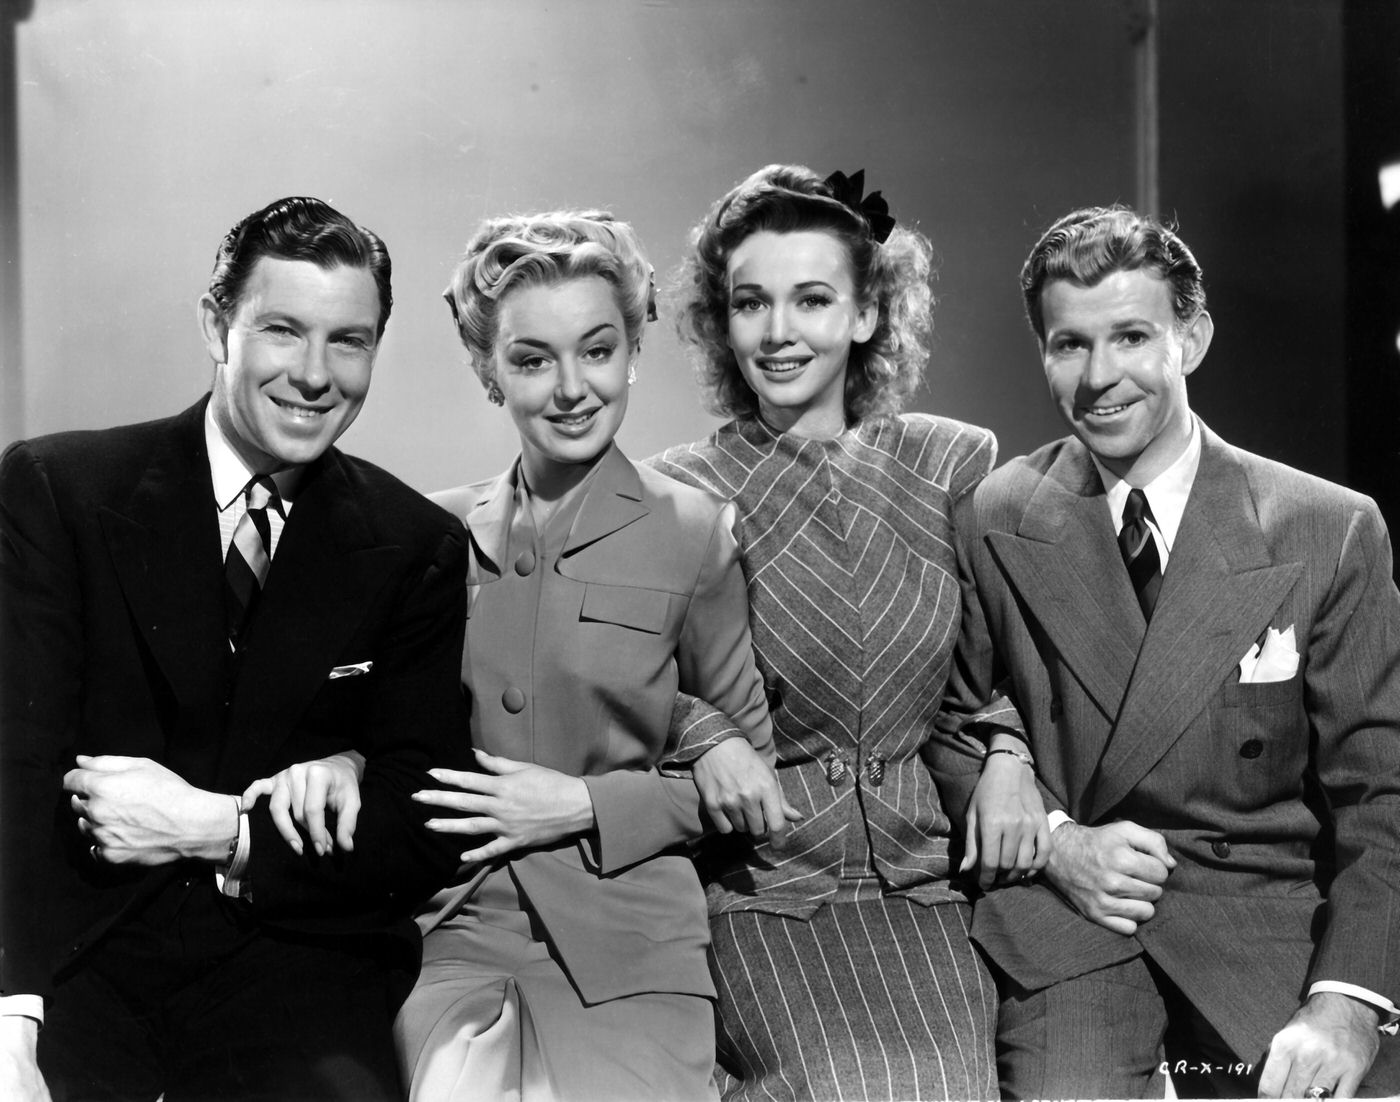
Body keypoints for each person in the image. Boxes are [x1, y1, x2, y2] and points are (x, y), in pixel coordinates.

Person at [0, 197, 473, 1100]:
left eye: (350, 341)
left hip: (298, 965)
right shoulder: (60, 490)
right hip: (77, 960)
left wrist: (217, 829)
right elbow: (14, 774)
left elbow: (420, 830)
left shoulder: (415, 545)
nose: (314, 374)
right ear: (217, 326)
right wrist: (10, 1016)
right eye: (283, 331)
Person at [927, 205, 1400, 1099]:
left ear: (1193, 337)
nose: (1100, 377)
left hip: (1269, 937)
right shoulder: (995, 515)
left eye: (1132, 337)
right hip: (1071, 941)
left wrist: (1347, 1005)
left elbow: (1383, 794)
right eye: (1069, 345)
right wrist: (1058, 843)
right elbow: (951, 723)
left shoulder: (1328, 528)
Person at [388, 210, 780, 1102]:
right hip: (454, 934)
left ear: (633, 351)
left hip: (632, 944)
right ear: (491, 374)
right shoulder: (430, 538)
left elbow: (750, 781)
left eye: (597, 351)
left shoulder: (694, 533)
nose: (572, 388)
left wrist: (582, 804)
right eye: (532, 361)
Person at [648, 164, 1011, 1101]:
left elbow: (1008, 655)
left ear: (864, 315)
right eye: (751, 303)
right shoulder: (677, 488)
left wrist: (1005, 751)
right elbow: (622, 669)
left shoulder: (949, 463)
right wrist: (709, 734)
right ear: (720, 324)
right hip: (766, 883)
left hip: (925, 882)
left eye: (812, 300)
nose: (778, 333)